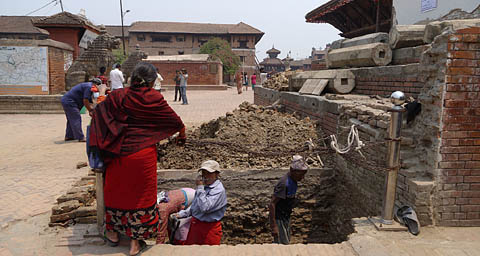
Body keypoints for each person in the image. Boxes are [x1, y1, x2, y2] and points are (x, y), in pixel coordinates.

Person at [89, 62, 186, 256]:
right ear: (151, 82)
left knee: (116, 192)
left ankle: (113, 233)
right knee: (141, 197)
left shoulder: (118, 95)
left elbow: (98, 113)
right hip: (143, 156)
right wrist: (182, 135)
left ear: (132, 78)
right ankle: (135, 243)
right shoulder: (154, 98)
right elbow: (175, 122)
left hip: (118, 154)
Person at [176, 160, 227, 245]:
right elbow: (196, 205)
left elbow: (204, 208)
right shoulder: (204, 188)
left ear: (217, 174)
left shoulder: (218, 190)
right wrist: (182, 214)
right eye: (204, 173)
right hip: (196, 225)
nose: (205, 176)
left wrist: (200, 187)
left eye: (209, 173)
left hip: (209, 228)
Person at [269, 155, 308, 245]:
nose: (302, 178)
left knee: (285, 241)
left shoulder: (293, 181)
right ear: (292, 171)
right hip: (279, 218)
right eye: (301, 175)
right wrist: (274, 226)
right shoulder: (284, 184)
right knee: (283, 245)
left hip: (286, 216)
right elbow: (272, 204)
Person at [61, 78, 101, 142]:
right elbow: (85, 100)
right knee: (76, 118)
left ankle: (69, 136)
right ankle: (80, 137)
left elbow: (90, 102)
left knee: (71, 119)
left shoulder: (88, 86)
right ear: (97, 85)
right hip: (70, 101)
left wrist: (93, 109)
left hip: (67, 100)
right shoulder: (89, 87)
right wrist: (90, 110)